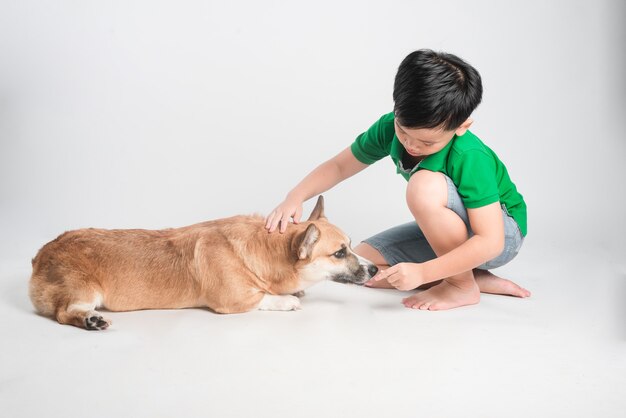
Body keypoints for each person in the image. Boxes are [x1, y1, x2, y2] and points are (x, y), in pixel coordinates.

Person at [265, 49, 530, 311]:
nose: (411, 145)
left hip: (499, 234)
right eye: (404, 132)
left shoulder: (471, 156)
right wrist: (296, 196)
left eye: (427, 142)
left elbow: (490, 240)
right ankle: (473, 277)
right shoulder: (389, 126)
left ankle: (461, 286)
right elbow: (338, 166)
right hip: (449, 230)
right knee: (364, 269)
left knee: (423, 187)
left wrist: (424, 273)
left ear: (461, 126)